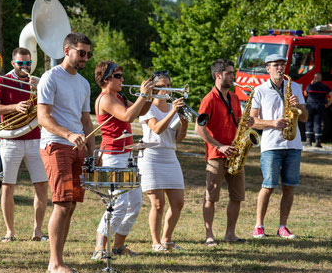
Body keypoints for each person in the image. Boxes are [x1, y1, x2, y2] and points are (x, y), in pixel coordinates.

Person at [38, 33, 95, 273]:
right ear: (67, 50)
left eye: (88, 54)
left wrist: (93, 151)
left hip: (77, 149)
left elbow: (85, 119)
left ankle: (57, 261)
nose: (85, 58)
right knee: (61, 204)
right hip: (56, 145)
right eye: (81, 53)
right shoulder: (50, 77)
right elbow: (43, 117)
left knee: (70, 206)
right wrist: (68, 134)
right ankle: (55, 264)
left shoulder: (83, 83)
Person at [90, 61, 153, 260]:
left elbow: (139, 112)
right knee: (118, 203)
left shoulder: (118, 96)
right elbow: (127, 115)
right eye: (118, 76)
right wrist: (142, 95)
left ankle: (118, 246)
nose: (122, 79)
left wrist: (150, 97)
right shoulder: (105, 99)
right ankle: (100, 247)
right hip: (113, 156)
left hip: (126, 155)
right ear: (106, 78)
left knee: (135, 203)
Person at [0, 47, 49, 242]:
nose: (25, 67)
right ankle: (10, 231)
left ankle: (38, 231)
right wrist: (15, 107)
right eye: (21, 63)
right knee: (7, 186)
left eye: (28, 63)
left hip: (35, 138)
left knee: (41, 185)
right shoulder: (3, 81)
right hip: (10, 139)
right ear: (13, 64)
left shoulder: (37, 82)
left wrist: (40, 88)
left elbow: (50, 106)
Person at [195, 59, 252, 247]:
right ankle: (209, 234)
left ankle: (230, 234)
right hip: (216, 155)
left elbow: (237, 120)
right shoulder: (209, 99)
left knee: (237, 197)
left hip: (235, 152)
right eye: (229, 73)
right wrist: (218, 146)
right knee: (211, 197)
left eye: (232, 72)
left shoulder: (234, 97)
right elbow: (199, 129)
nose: (233, 76)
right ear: (218, 75)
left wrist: (247, 122)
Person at [250, 54, 308, 239]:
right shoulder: (259, 90)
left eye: (282, 65)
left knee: (289, 187)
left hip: (293, 143)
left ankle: (283, 226)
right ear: (268, 69)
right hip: (271, 144)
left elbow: (305, 117)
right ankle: (259, 225)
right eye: (276, 65)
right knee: (268, 185)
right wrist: (273, 123)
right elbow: (252, 121)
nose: (280, 68)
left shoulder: (295, 87)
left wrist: (298, 105)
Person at [139, 71, 189, 251]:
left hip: (170, 156)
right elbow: (157, 129)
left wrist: (183, 123)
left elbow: (179, 137)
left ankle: (167, 240)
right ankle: (155, 242)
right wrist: (174, 111)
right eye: (160, 86)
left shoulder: (173, 107)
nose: (166, 89)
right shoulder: (147, 108)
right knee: (158, 204)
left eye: (168, 85)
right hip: (151, 157)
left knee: (178, 203)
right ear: (152, 88)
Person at [304, 72, 332, 147]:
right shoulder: (325, 87)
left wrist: (311, 83)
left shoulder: (310, 86)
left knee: (309, 122)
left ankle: (308, 141)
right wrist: (328, 104)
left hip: (310, 106)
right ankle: (317, 142)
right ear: (321, 79)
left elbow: (305, 94)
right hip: (320, 106)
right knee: (318, 123)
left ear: (314, 78)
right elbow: (331, 95)